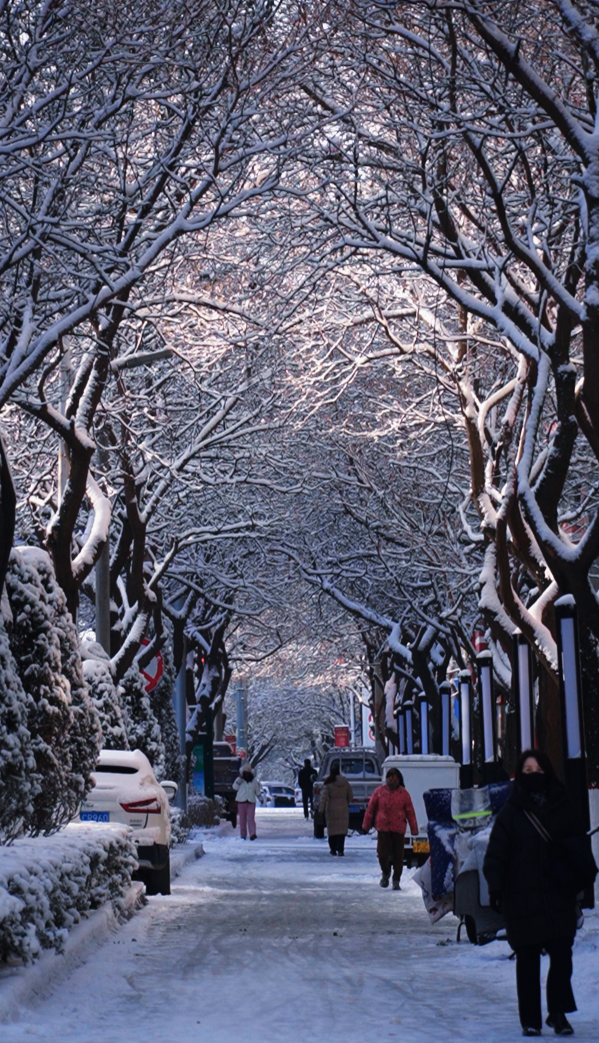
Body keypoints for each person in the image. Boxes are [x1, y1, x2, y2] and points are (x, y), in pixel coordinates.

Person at [483, 749, 589, 1037]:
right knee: (527, 959)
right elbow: (496, 854)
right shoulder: (511, 812)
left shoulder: (563, 805)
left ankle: (558, 1013)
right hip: (522, 897)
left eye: (537, 770)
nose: (532, 776)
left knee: (561, 956)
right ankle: (530, 1019)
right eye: (526, 771)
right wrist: (495, 886)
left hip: (558, 895)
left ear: (547, 772)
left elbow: (579, 844)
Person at [362, 767, 418, 890]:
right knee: (382, 855)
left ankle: (396, 880)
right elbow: (370, 810)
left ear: (399, 779)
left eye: (395, 778)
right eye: (390, 778)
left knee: (398, 856)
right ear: (386, 778)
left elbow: (410, 812)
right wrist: (365, 826)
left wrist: (414, 829)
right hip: (383, 828)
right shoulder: (379, 792)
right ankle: (386, 872)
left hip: (398, 829)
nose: (392, 781)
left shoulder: (404, 794)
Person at [318, 763, 353, 856]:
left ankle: (333, 849)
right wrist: (345, 803)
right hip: (343, 808)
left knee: (332, 830)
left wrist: (321, 809)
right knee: (341, 830)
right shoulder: (345, 782)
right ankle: (340, 849)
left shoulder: (329, 782)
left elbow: (323, 797)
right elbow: (350, 795)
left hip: (331, 808)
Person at [233, 763, 262, 841]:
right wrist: (239, 779)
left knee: (251, 819)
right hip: (241, 802)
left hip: (251, 802)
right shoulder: (239, 780)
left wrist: (260, 798)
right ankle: (243, 835)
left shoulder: (254, 781)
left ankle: (252, 834)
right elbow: (234, 787)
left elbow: (257, 791)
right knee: (242, 820)